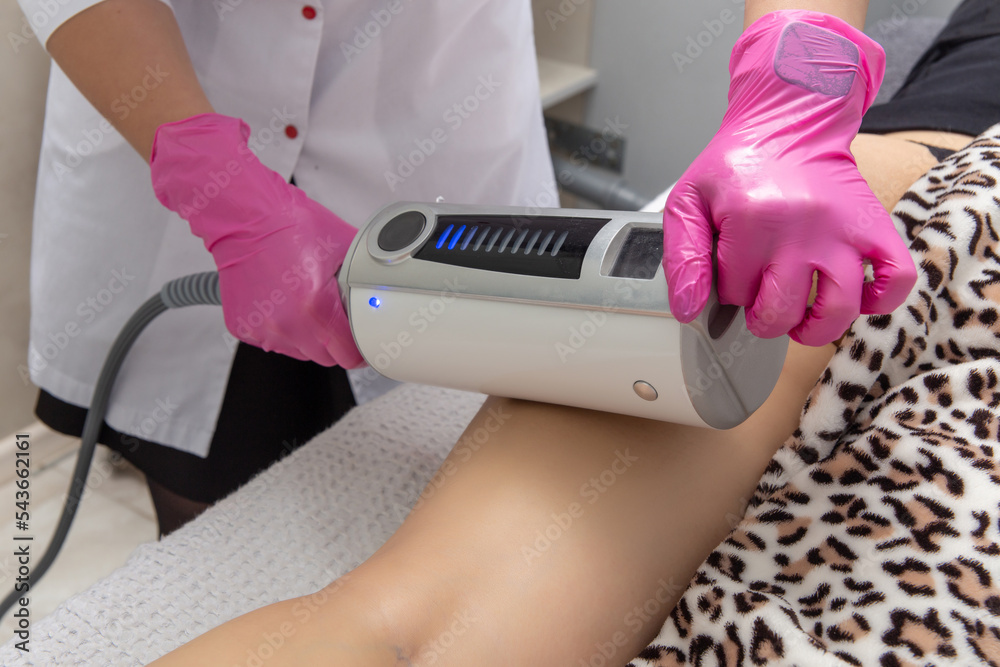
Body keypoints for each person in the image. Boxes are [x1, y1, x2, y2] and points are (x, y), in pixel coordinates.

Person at [144, 1, 1000, 665]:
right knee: (412, 612)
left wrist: (796, 94)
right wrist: (204, 170)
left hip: (934, 194)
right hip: (933, 193)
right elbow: (405, 634)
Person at [17, 0, 556, 535]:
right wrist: (219, 186)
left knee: (452, 490)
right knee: (215, 535)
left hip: (434, 110)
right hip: (175, 99)